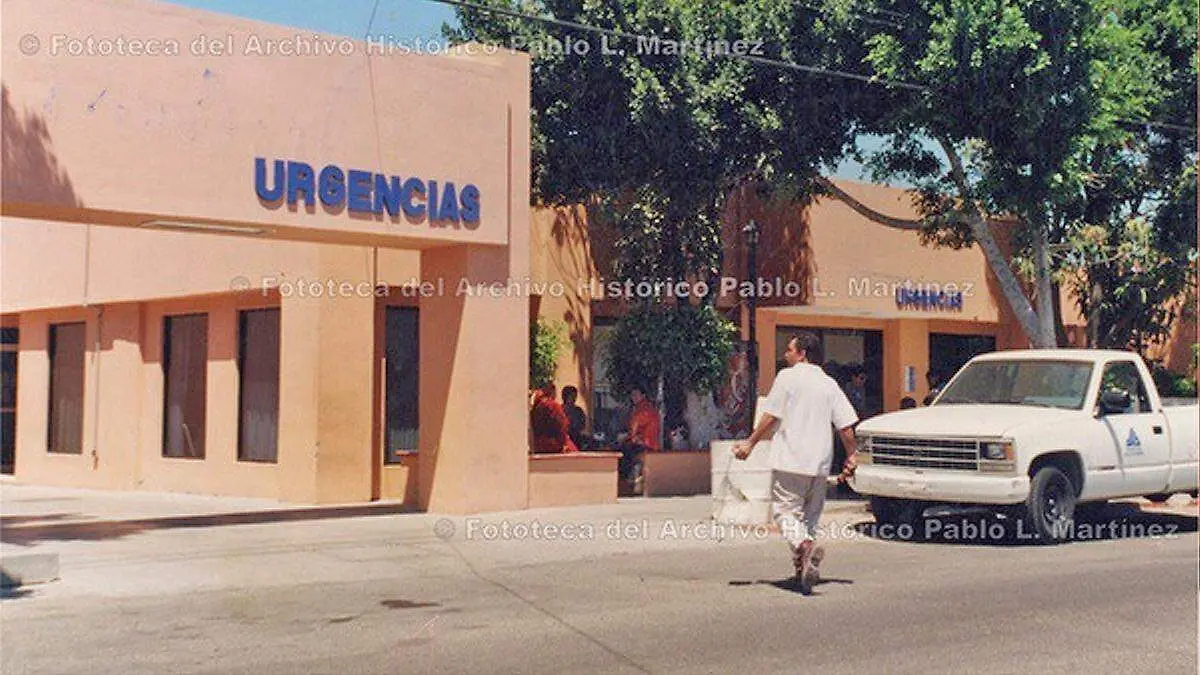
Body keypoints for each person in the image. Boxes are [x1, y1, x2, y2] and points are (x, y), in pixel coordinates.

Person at [733, 332, 858, 594]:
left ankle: (802, 546)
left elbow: (771, 415)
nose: (785, 354)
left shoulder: (787, 378)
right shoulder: (829, 384)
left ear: (802, 354)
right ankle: (803, 568)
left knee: (784, 512)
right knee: (810, 518)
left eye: (789, 350)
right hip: (820, 463)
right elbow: (845, 425)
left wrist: (750, 443)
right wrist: (851, 455)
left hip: (791, 459)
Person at [617, 385, 661, 491]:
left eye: (636, 395)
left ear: (643, 395)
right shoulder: (645, 408)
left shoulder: (643, 409)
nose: (634, 397)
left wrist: (625, 438)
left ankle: (625, 481)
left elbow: (634, 430)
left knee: (622, 452)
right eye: (632, 395)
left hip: (646, 444)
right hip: (646, 443)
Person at [530, 382, 579, 455]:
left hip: (539, 446)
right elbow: (562, 425)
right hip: (555, 446)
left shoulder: (536, 406)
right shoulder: (552, 405)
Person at [561, 385, 588, 450]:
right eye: (572, 396)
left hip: (576, 440)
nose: (574, 398)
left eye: (575, 396)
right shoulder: (560, 410)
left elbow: (582, 425)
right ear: (565, 397)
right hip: (563, 440)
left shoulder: (578, 411)